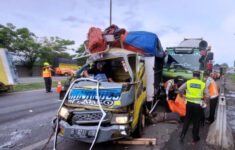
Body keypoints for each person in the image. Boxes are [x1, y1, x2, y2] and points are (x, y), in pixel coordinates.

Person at [178, 71, 206, 144]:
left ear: (193, 76)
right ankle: (195, 138)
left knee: (187, 119)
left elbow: (180, 89)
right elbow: (208, 95)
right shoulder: (202, 84)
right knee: (196, 121)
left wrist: (181, 95)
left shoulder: (188, 82)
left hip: (189, 104)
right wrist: (205, 101)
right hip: (197, 105)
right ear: (199, 76)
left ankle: (182, 135)